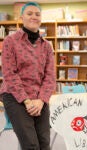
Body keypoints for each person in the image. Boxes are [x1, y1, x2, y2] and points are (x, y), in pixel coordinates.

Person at [0, 2, 56, 150]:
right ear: (22, 17)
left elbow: (50, 77)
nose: (34, 17)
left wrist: (41, 100)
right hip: (15, 96)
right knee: (31, 145)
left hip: (39, 98)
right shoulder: (10, 42)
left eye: (37, 14)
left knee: (44, 143)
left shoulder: (47, 45)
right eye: (29, 13)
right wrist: (27, 101)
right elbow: (9, 74)